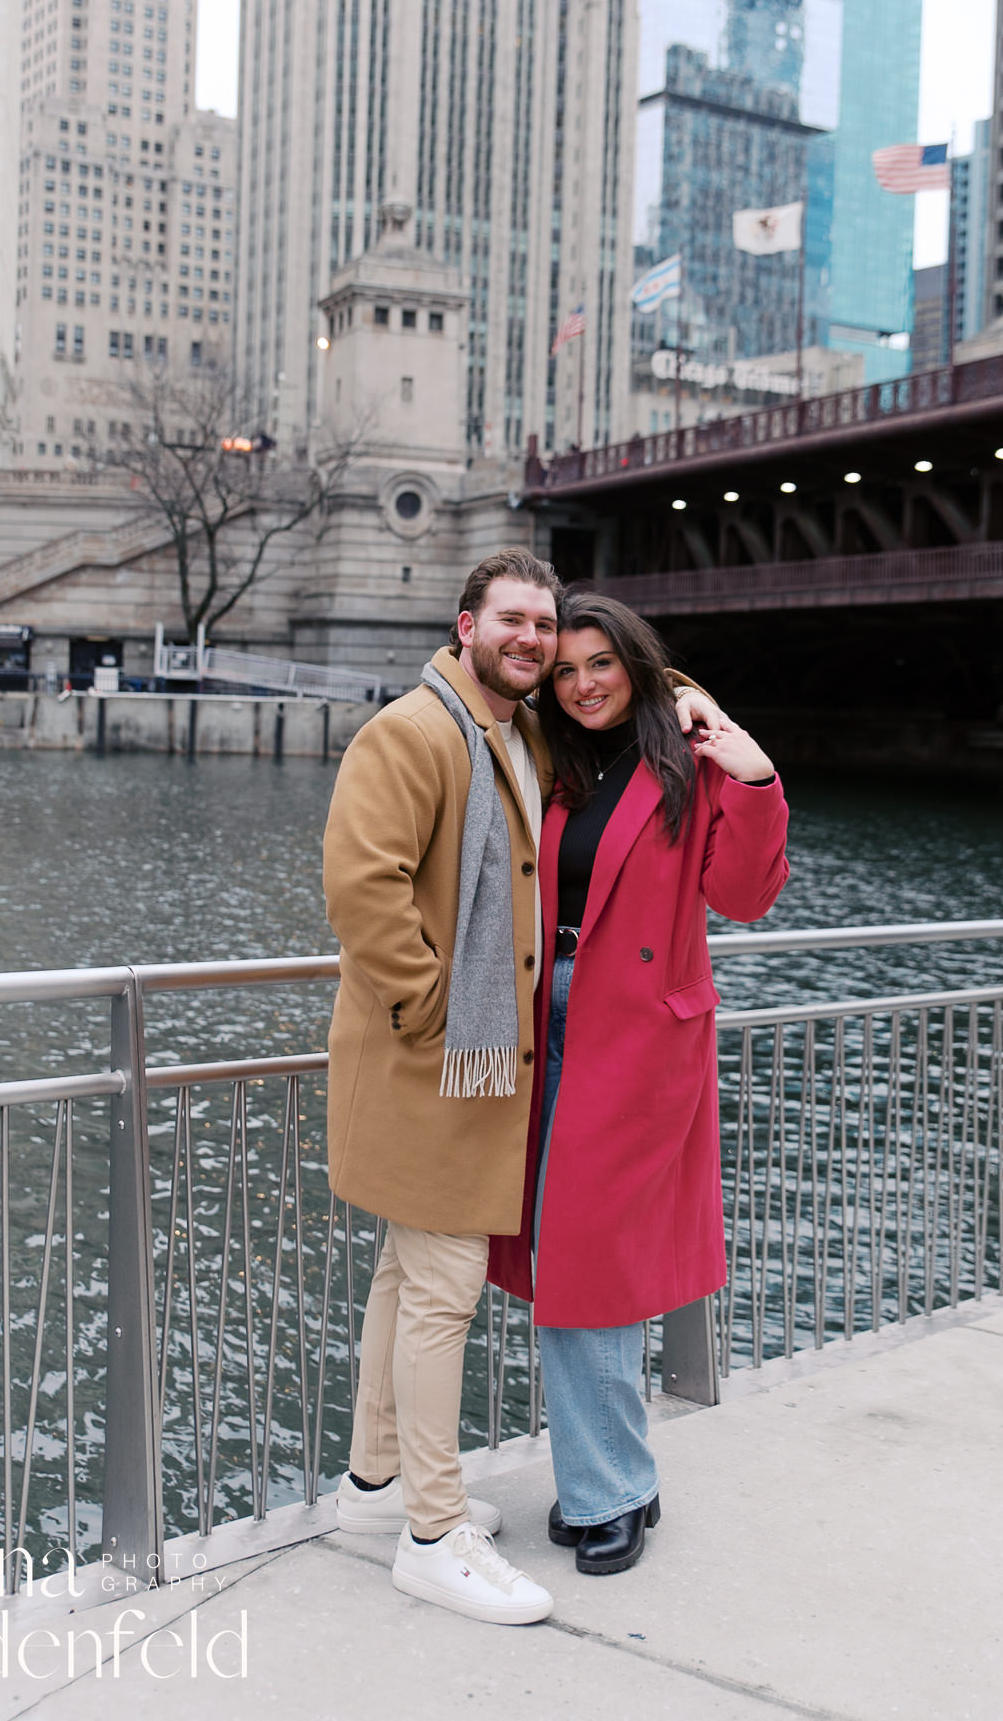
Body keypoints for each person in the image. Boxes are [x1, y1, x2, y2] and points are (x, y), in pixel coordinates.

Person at [323, 549, 719, 1627]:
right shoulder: (412, 732)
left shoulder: (516, 732)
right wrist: (436, 1014)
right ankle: (434, 1531)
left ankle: (373, 1490)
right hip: (444, 1058)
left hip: (485, 1061)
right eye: (515, 621)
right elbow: (361, 886)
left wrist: (711, 719)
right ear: (465, 625)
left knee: (409, 1280)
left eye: (542, 626)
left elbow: (638, 710)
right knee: (443, 1286)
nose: (534, 641)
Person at [489, 590, 790, 1578]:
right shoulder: (552, 759)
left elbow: (740, 897)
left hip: (635, 1038)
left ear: (634, 662)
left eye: (600, 664)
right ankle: (613, 1475)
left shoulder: (687, 764)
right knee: (556, 1258)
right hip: (542, 1026)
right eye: (565, 668)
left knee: (592, 1271)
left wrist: (753, 777)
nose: (580, 683)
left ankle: (609, 1487)